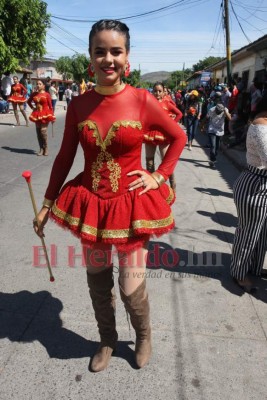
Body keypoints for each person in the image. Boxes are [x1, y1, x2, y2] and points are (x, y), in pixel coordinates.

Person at [33, 19, 186, 372]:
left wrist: (158, 176)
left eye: (115, 51)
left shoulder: (143, 100)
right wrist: (46, 204)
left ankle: (144, 335)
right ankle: (107, 339)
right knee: (98, 280)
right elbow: (64, 157)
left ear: (127, 57)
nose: (108, 59)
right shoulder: (78, 105)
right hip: (90, 202)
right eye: (100, 51)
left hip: (132, 206)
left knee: (131, 286)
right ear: (90, 57)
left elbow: (177, 137)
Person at [230, 96, 267, 292]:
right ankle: (239, 273)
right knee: (248, 233)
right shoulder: (261, 125)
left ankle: (254, 268)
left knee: (261, 233)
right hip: (255, 185)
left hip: (263, 185)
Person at [145, 82, 183, 190]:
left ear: (163, 93)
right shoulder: (148, 103)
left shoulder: (167, 103)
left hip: (163, 135)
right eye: (155, 91)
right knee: (149, 163)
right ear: (152, 91)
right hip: (150, 134)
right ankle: (151, 190)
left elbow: (179, 114)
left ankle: (172, 187)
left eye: (159, 91)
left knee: (166, 163)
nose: (157, 93)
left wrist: (172, 125)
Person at [27, 79, 55, 156]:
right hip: (37, 114)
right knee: (38, 132)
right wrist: (33, 108)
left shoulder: (47, 94)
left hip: (46, 114)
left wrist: (53, 116)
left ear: (43, 86)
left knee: (43, 131)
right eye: (37, 84)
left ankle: (46, 148)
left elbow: (50, 106)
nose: (38, 85)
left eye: (40, 84)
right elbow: (28, 101)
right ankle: (41, 149)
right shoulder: (34, 94)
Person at [206, 101, 231, 168]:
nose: (218, 113)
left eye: (219, 112)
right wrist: (202, 126)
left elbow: (230, 118)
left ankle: (213, 157)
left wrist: (225, 112)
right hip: (211, 129)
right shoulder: (211, 110)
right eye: (217, 111)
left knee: (217, 147)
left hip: (220, 131)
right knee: (213, 146)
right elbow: (207, 118)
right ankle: (212, 161)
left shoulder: (225, 110)